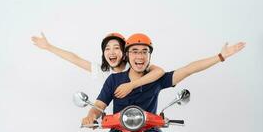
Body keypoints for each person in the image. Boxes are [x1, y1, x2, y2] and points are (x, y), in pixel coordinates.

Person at [81, 33, 246, 132]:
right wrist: (91, 116)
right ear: (127, 55)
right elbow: (98, 106)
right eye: (135, 51)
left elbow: (188, 69)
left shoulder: (157, 79)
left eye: (145, 51)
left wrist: (220, 56)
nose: (140, 56)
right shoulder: (114, 80)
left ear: (149, 55)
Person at [31, 32, 165, 98]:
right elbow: (75, 58)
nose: (111, 52)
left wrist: (131, 85)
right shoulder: (103, 71)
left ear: (125, 53)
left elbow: (159, 72)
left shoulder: (136, 66)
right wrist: (48, 47)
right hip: (116, 124)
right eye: (107, 49)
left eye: (116, 48)